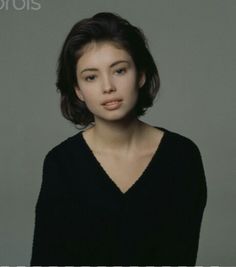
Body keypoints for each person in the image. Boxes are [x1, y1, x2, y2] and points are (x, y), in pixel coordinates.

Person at [30, 12, 207, 266]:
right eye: (91, 76)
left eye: (120, 70)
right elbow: (46, 259)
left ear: (141, 75)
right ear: (78, 90)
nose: (108, 87)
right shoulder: (62, 163)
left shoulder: (181, 157)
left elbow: (181, 255)